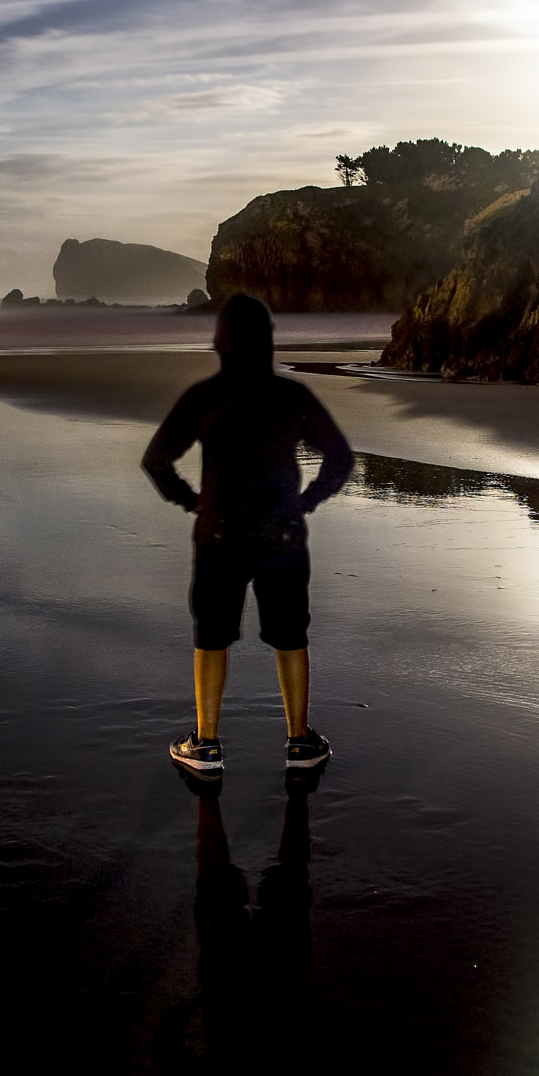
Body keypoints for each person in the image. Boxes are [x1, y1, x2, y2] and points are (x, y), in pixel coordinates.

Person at [142, 294, 353, 775]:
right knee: (290, 635)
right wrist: (308, 500)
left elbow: (156, 460)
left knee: (212, 636)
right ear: (268, 338)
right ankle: (300, 742)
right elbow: (340, 459)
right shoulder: (292, 396)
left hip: (219, 533)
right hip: (281, 533)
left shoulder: (203, 397)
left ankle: (207, 745)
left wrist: (191, 499)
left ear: (222, 339)